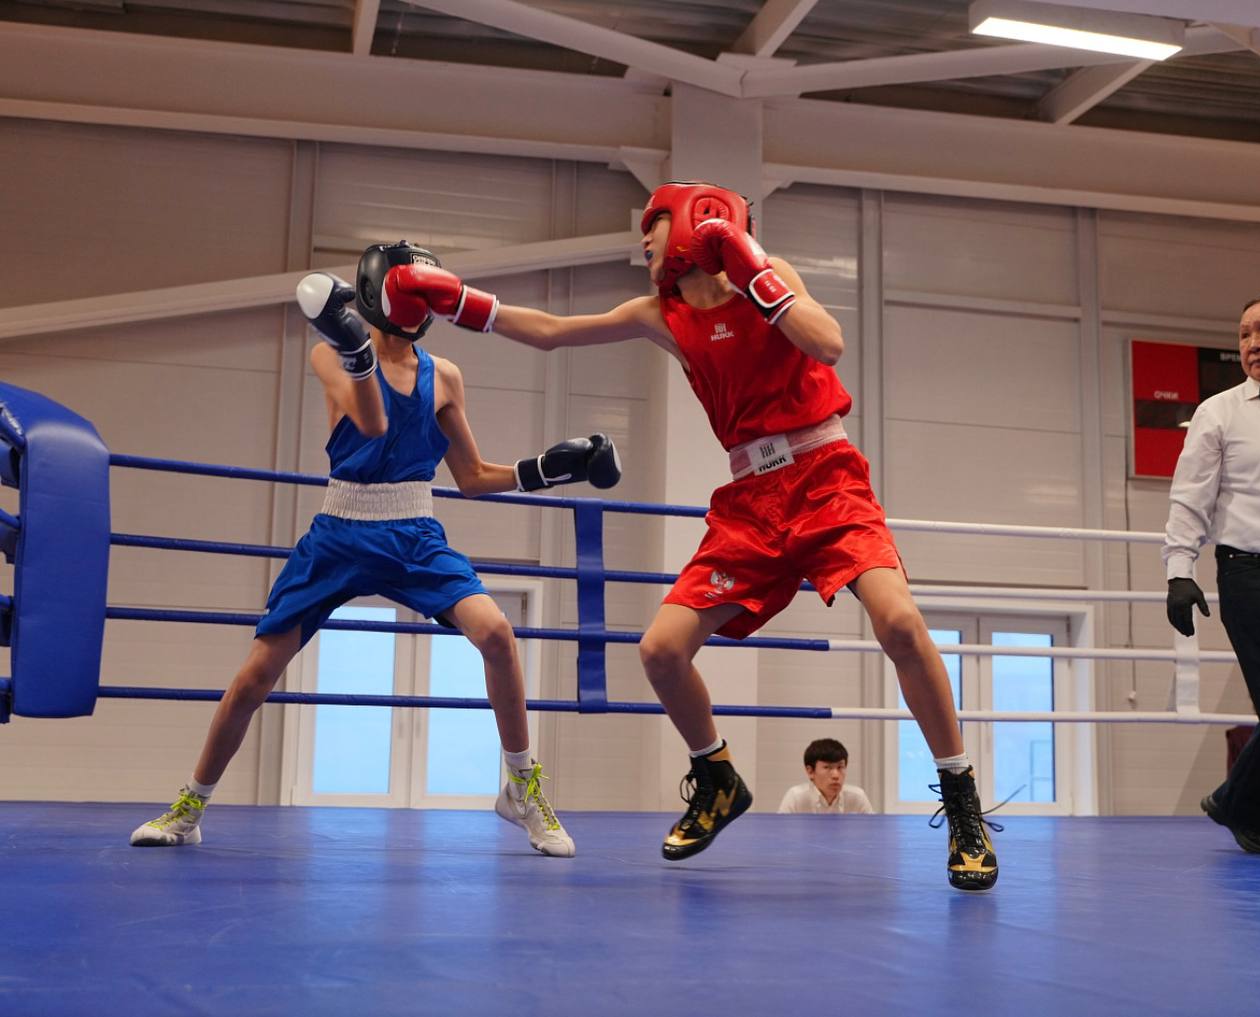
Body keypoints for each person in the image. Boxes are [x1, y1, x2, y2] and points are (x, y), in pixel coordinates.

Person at [374, 182, 999, 891]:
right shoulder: (662, 315)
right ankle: (717, 777)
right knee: (662, 650)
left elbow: (828, 343)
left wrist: (753, 269)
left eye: (656, 222)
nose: (644, 237)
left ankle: (962, 803)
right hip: (750, 500)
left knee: (902, 623)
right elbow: (549, 330)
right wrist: (453, 299)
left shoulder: (770, 274)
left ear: (703, 218)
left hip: (826, 476)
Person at [130, 241, 623, 858]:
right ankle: (190, 806)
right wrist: (355, 349)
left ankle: (522, 788)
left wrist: (548, 469)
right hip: (339, 533)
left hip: (413, 533)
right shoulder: (329, 352)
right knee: (254, 676)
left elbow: (471, 476)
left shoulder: (444, 376)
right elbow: (372, 423)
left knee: (497, 633)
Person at [1163, 291, 1260, 856]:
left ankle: (1237, 800)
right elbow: (1190, 497)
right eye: (1245, 334)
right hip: (1250, 574)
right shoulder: (1220, 411)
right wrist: (1178, 570)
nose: (1253, 343)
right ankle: (1239, 800)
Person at [777, 738, 874, 815]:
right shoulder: (795, 798)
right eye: (827, 767)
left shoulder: (857, 797)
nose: (836, 775)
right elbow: (781, 832)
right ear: (810, 771)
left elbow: (873, 832)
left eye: (840, 767)